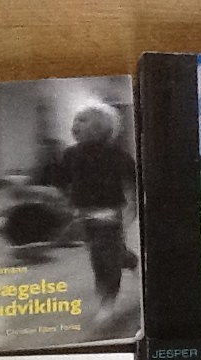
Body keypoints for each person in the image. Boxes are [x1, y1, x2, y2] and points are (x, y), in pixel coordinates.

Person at [55, 103, 139, 322]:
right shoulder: (70, 154)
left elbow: (132, 181)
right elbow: (63, 181)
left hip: (109, 214)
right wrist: (66, 205)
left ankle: (107, 300)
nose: (76, 124)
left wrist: (132, 207)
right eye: (75, 120)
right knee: (103, 252)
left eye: (83, 120)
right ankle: (130, 260)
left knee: (104, 259)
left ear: (100, 126)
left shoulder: (116, 155)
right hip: (84, 215)